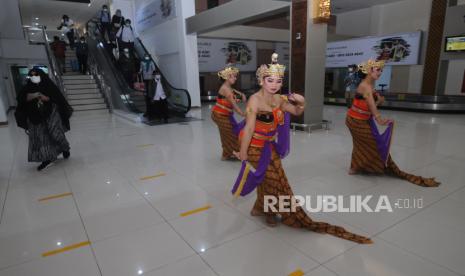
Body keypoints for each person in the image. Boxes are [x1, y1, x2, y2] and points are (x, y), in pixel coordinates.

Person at [231, 54, 372, 244]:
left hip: (269, 146)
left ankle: (260, 208)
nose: (274, 84)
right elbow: (248, 128)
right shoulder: (254, 101)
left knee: (274, 179)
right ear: (261, 80)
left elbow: (296, 112)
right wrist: (243, 151)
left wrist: (302, 101)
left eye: (279, 80)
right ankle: (269, 211)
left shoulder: (280, 99)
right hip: (255, 147)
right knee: (272, 181)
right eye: (270, 80)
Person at [346, 59, 440, 187]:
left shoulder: (370, 85)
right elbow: (372, 105)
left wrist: (379, 101)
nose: (380, 72)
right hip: (355, 120)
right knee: (372, 142)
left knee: (362, 143)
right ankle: (360, 166)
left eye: (381, 70)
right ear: (369, 71)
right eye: (378, 70)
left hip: (363, 119)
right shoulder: (365, 85)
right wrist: (379, 118)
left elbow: (371, 104)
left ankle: (355, 167)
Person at [15, 68, 72, 171]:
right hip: (35, 116)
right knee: (41, 138)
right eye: (31, 76)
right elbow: (21, 99)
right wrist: (34, 95)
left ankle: (65, 147)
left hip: (51, 113)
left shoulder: (49, 85)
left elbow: (58, 99)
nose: (34, 77)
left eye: (36, 75)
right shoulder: (27, 88)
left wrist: (48, 98)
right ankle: (47, 158)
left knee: (56, 133)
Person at [211, 65, 246, 160]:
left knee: (225, 135)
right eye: (233, 76)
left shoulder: (228, 87)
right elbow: (235, 107)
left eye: (235, 76)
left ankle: (226, 155)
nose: (235, 78)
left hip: (224, 115)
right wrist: (245, 114)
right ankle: (237, 152)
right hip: (219, 115)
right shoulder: (226, 90)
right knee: (231, 135)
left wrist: (241, 94)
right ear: (226, 77)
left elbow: (234, 91)